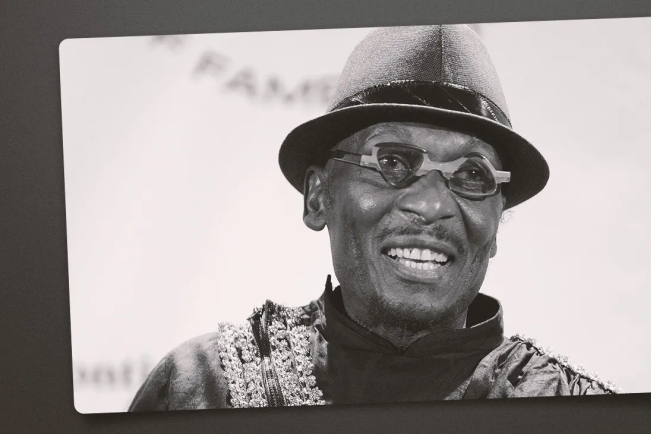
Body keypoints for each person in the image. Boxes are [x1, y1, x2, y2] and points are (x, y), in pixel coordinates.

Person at [129, 24, 620, 411]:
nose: (431, 205)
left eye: (472, 174)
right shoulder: (204, 388)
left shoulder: (576, 409)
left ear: (496, 224)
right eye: (393, 162)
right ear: (318, 197)